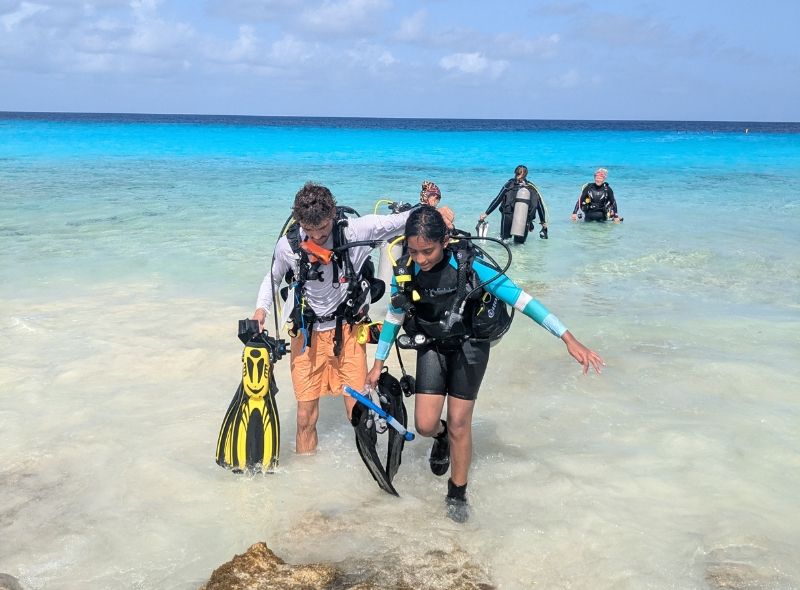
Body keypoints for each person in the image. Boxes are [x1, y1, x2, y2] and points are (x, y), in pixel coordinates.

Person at [365, 205, 603, 522]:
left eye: (428, 251)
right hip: (433, 344)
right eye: (414, 251)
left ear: (445, 240)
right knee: (424, 424)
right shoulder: (405, 271)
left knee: (461, 423)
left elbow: (523, 301)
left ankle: (457, 493)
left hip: (470, 346)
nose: (420, 259)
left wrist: (568, 338)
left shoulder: (472, 268)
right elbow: (395, 317)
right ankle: (441, 437)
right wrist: (378, 362)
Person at [252, 182, 411, 455]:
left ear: (333, 214)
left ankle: (369, 473)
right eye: (309, 230)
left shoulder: (356, 231)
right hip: (306, 336)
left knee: (358, 413)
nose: (316, 237)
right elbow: (273, 276)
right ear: (299, 221)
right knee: (305, 417)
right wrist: (260, 310)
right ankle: (307, 479)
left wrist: (435, 213)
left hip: (348, 333)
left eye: (323, 229)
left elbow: (401, 221)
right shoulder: (288, 245)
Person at [479, 165, 548, 243]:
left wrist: (486, 213)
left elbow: (498, 199)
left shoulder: (508, 185)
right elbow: (539, 205)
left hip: (508, 217)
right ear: (526, 174)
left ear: (515, 173)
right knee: (519, 245)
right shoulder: (531, 187)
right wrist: (543, 222)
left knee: (504, 241)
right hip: (524, 219)